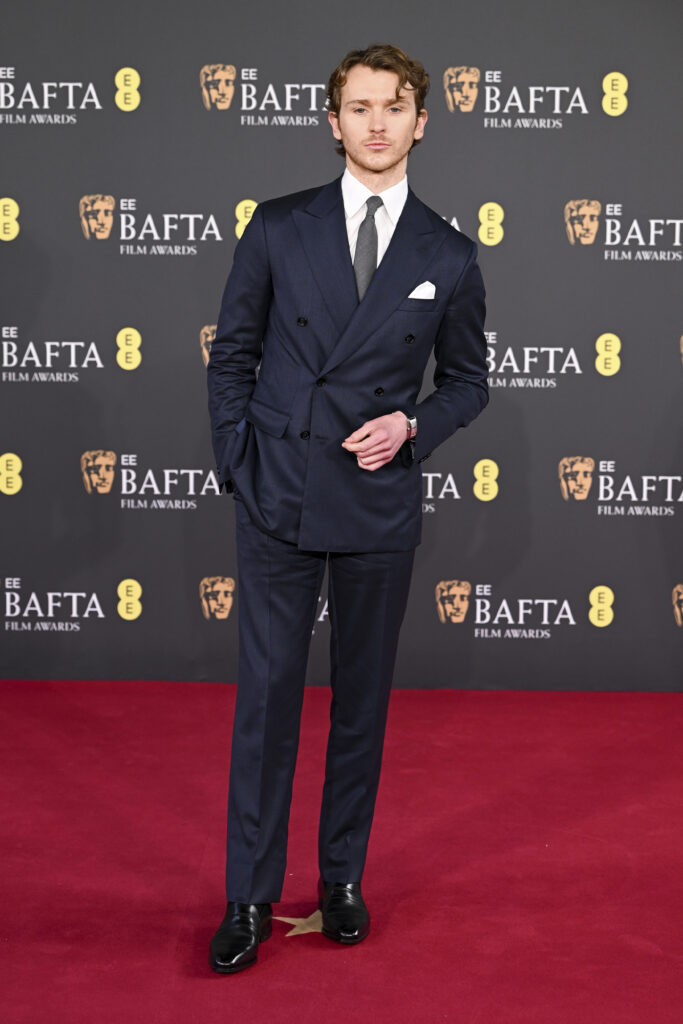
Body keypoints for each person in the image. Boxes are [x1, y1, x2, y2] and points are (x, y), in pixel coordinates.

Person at [206, 42, 488, 973]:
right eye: (358, 107)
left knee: (360, 704)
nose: (376, 123)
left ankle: (339, 882)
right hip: (278, 492)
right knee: (267, 702)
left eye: (393, 106)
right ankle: (248, 895)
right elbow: (233, 356)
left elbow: (468, 384)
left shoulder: (446, 250)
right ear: (332, 124)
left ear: (420, 121)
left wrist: (411, 423)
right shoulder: (279, 226)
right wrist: (240, 469)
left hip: (375, 502)